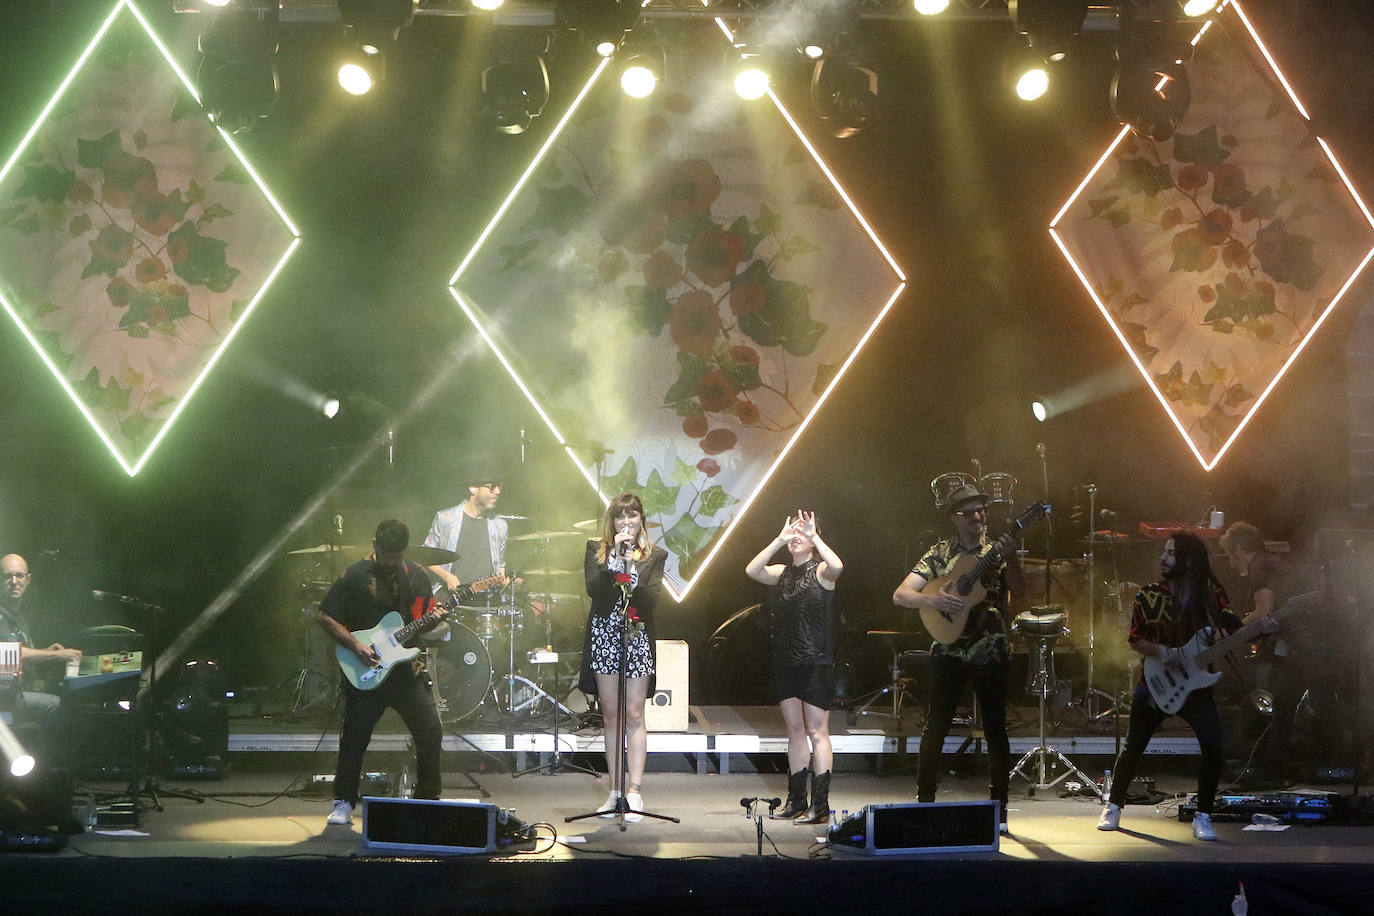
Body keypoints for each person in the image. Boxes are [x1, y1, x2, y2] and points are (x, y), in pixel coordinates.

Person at [1096, 532, 1269, 840]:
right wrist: (1162, 651)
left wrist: (1261, 628)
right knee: (1133, 748)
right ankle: (1114, 806)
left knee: (1213, 748)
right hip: (1154, 683)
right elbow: (1135, 639)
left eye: (1171, 553)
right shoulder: (1148, 595)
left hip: (1197, 687)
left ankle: (1203, 816)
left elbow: (1232, 630)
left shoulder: (1211, 596)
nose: (1163, 558)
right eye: (1164, 552)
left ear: (1188, 561)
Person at [892, 484, 1025, 835]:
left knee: (995, 729)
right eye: (969, 512)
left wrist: (1012, 558)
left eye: (981, 510)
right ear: (954, 517)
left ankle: (999, 808)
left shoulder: (996, 551)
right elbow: (901, 594)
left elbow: (1021, 590)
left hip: (990, 648)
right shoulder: (938, 554)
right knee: (936, 724)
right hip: (948, 648)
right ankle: (924, 802)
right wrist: (932, 600)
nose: (978, 516)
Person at [316, 520, 446, 826]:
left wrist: (434, 618)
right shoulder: (354, 575)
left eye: (396, 556)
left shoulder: (416, 576)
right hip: (366, 667)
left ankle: (427, 799)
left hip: (406, 671)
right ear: (374, 544)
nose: (390, 561)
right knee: (355, 736)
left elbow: (423, 621)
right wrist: (355, 645)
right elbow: (325, 615)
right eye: (386, 555)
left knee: (430, 730)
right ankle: (344, 801)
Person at [745, 510, 843, 824]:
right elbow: (752, 570)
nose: (796, 537)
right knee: (795, 731)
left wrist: (815, 537)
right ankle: (797, 800)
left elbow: (838, 567)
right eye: (794, 532)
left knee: (817, 731)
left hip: (815, 660)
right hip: (785, 660)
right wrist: (778, 539)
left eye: (803, 533)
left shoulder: (821, 571)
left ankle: (820, 805)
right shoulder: (782, 573)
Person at [579, 493, 667, 823]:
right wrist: (615, 559)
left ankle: (635, 791)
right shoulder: (596, 550)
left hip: (636, 636)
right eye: (620, 516)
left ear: (642, 519)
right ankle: (615, 791)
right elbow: (594, 591)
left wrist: (631, 567)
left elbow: (651, 601)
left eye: (632, 515)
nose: (626, 521)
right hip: (605, 636)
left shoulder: (655, 555)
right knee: (611, 715)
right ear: (612, 521)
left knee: (634, 713)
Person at [1220, 521, 1325, 785]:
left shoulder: (1260, 567)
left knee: (1286, 702)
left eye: (1230, 555)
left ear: (1240, 549)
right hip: (1315, 640)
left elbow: (1263, 612)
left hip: (1308, 643)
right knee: (1286, 702)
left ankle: (1274, 767)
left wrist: (1229, 633)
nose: (1231, 563)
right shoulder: (1276, 563)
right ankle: (1270, 762)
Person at [0, 554, 81, 716]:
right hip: (6, 699)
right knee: (61, 706)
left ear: (27, 580)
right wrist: (57, 655)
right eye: (8, 576)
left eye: (19, 575)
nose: (14, 581)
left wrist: (47, 651)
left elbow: (22, 655)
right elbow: (7, 655)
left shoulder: (16, 615)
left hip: (16, 693)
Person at [422, 474, 510, 595]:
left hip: (486, 598)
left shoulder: (500, 526)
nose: (498, 491)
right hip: (450, 597)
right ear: (473, 489)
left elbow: (500, 565)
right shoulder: (446, 519)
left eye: (499, 486)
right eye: (492, 487)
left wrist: (503, 580)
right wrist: (447, 576)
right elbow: (426, 556)